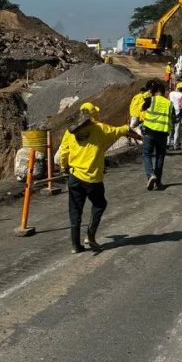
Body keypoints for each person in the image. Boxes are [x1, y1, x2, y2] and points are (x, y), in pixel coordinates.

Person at [59, 102, 142, 254]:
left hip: (75, 175)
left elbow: (64, 153)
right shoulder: (100, 129)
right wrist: (137, 135)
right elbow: (121, 130)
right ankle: (90, 236)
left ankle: (75, 246)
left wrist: (64, 167)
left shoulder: (69, 132)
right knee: (99, 204)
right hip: (92, 179)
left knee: (75, 210)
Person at [141, 80, 174, 190]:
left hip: (150, 132)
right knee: (160, 157)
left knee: (147, 154)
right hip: (163, 134)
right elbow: (173, 118)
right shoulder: (169, 103)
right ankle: (158, 182)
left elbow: (142, 109)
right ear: (163, 92)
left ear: (153, 92)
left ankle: (151, 175)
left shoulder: (151, 100)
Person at [168, 81, 182, 150]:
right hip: (178, 114)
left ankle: (168, 143)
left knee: (170, 129)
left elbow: (168, 101)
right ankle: (175, 145)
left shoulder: (171, 93)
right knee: (176, 130)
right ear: (181, 89)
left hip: (170, 113)